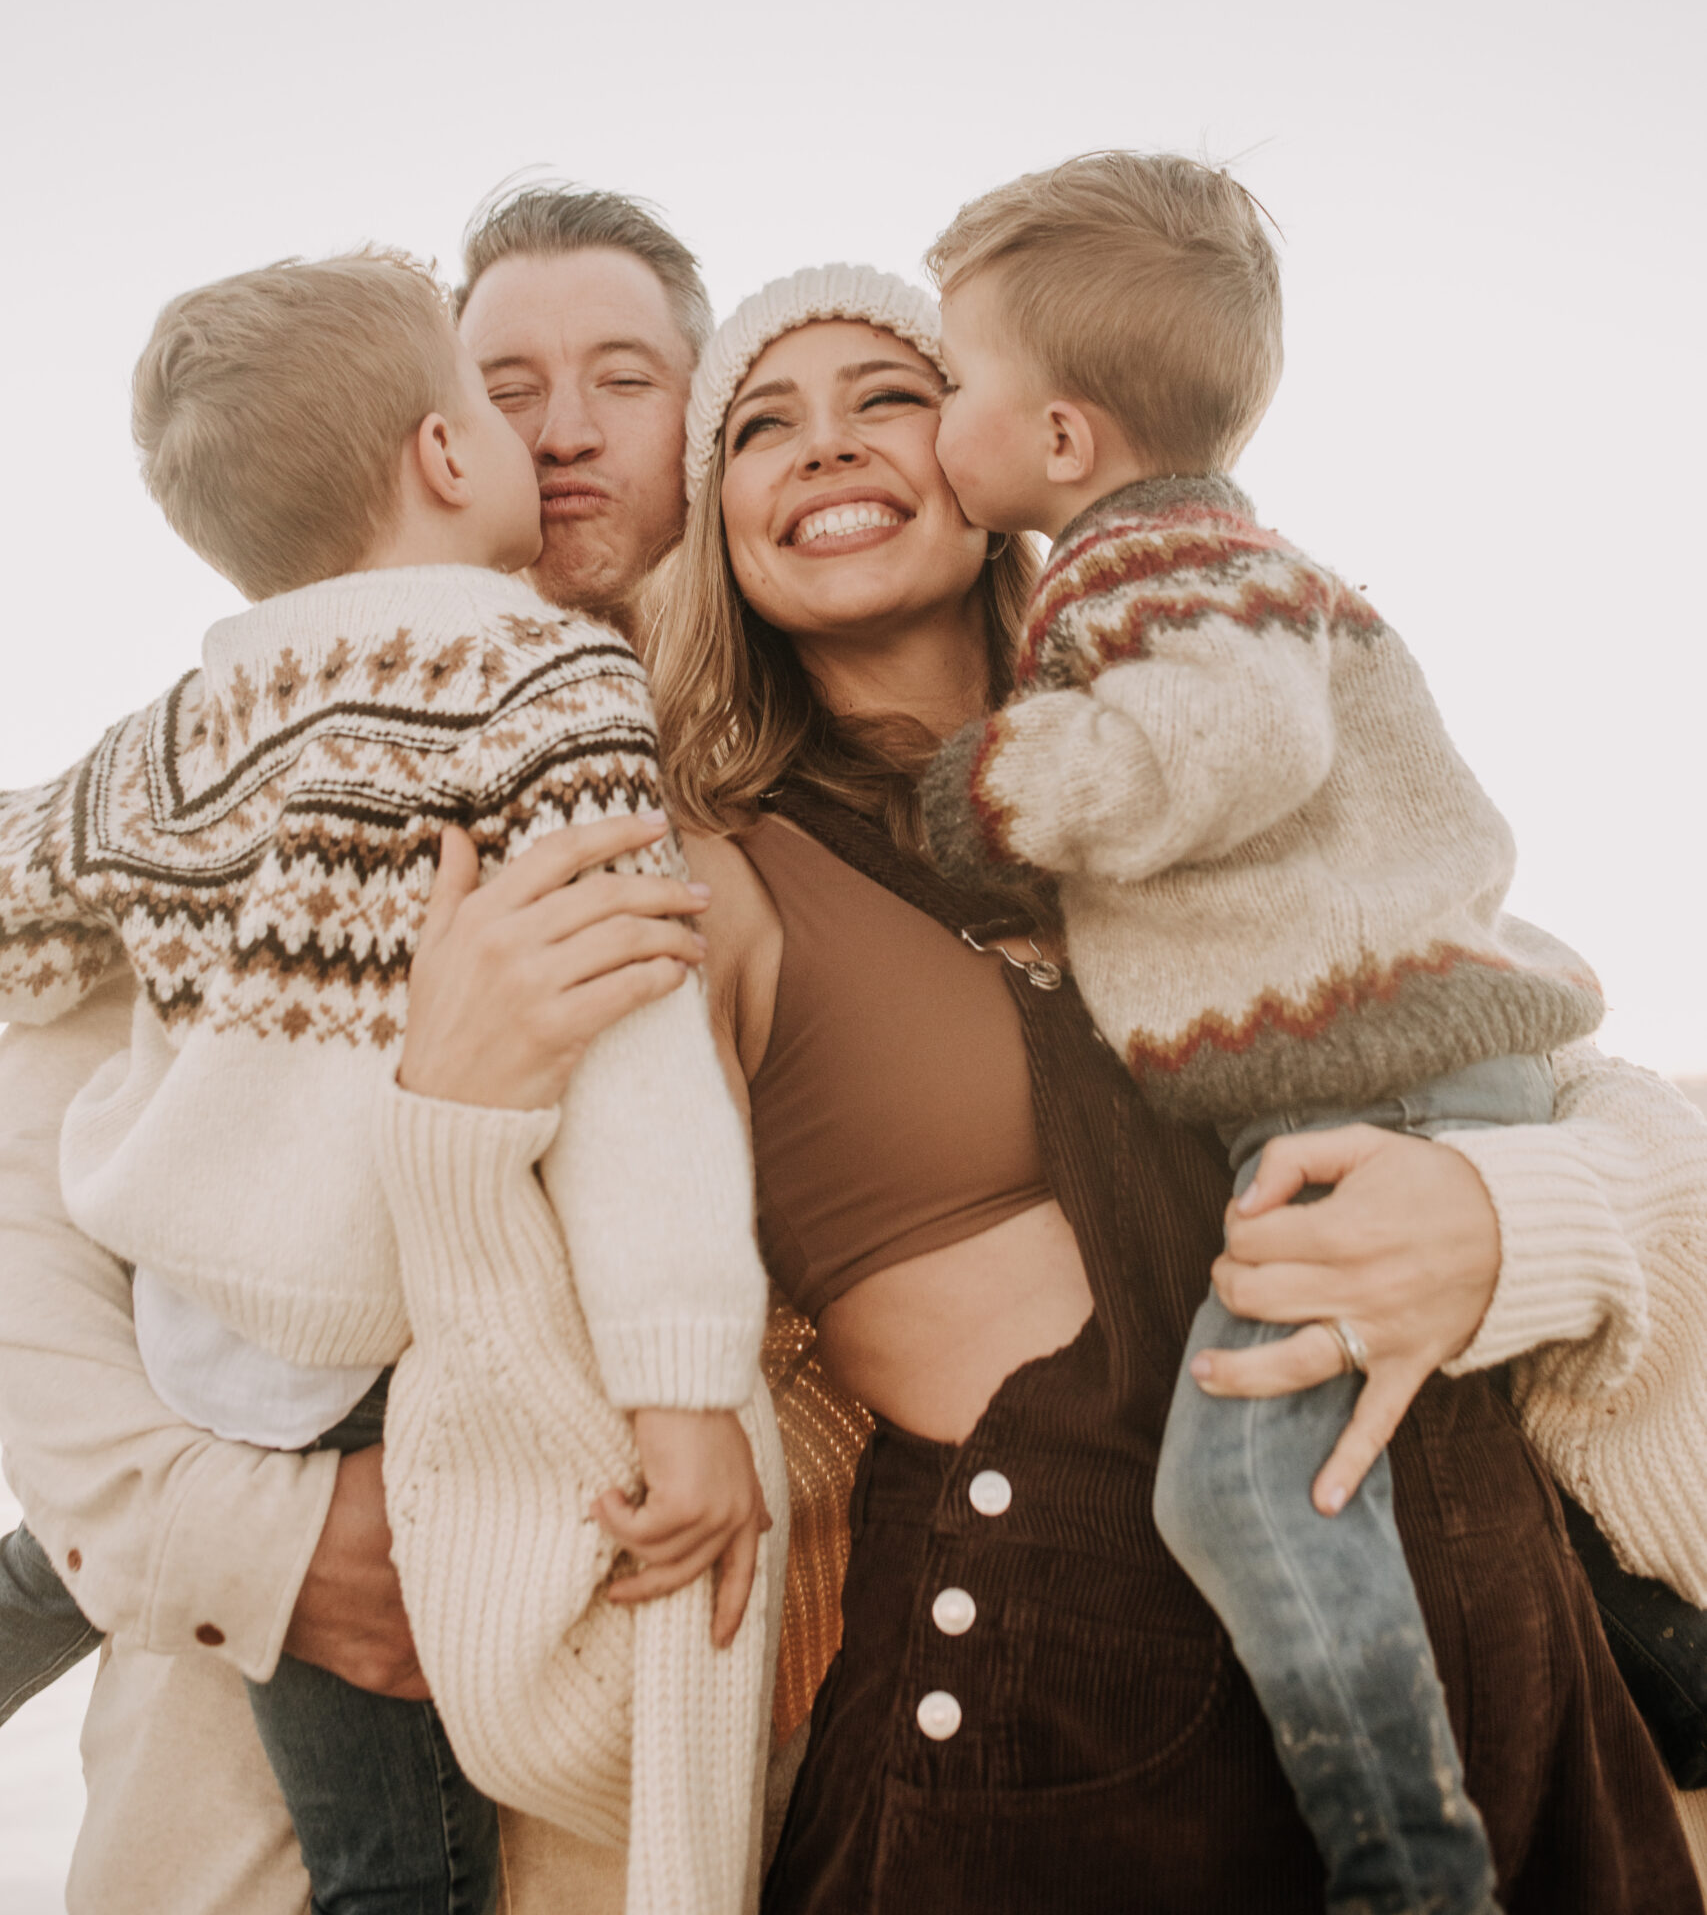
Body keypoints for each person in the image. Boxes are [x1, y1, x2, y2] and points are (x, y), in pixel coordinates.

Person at [639, 260, 1705, 1911]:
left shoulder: (1247, 742)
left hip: (1470, 1647)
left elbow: (1576, 1075)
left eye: (889, 402)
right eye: (761, 429)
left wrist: (1509, 1219)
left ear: (1009, 455)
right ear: (717, 525)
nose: (827, 449)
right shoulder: (715, 865)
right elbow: (613, 1278)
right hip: (1059, 1713)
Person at [0, 181, 755, 1915]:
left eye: (625, 378)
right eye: (510, 381)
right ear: (441, 441)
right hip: (246, 1765)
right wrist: (259, 1550)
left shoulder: (201, 735)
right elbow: (30, 1240)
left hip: (635, 1731)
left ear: (704, 422)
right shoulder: (487, 716)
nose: (558, 431)